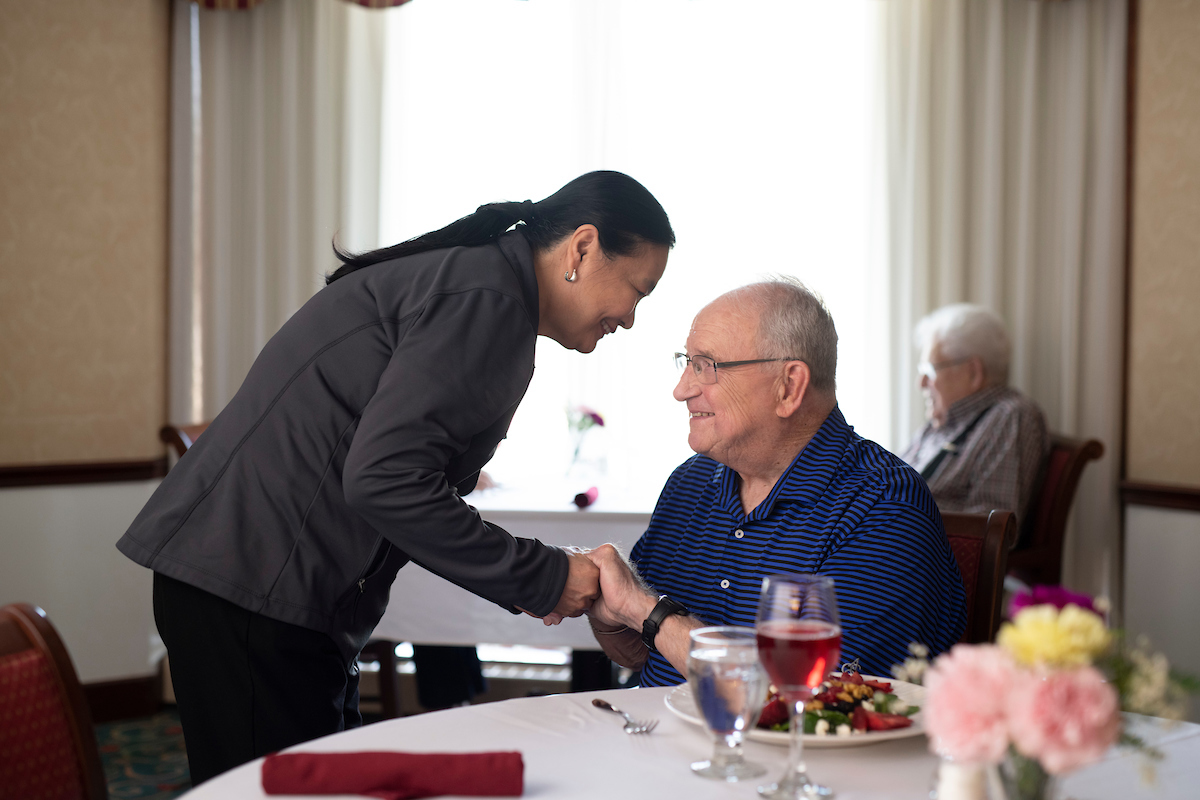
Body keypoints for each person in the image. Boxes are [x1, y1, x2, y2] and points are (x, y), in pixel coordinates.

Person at [117, 170, 673, 783]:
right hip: (255, 587)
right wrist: (545, 576)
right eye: (637, 292)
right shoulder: (489, 300)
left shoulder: (481, 285)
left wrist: (553, 576)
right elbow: (386, 481)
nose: (629, 318)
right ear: (583, 248)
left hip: (258, 585)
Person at [583, 279, 967, 685]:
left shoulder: (883, 505)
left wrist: (646, 609)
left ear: (789, 386)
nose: (682, 390)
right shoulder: (690, 482)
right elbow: (646, 652)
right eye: (686, 362)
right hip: (656, 739)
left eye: (706, 366)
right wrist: (612, 611)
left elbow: (818, 701)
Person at [899, 303, 1050, 526]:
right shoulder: (944, 420)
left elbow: (990, 527)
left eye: (930, 371)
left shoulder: (1009, 417)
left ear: (973, 372)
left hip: (918, 553)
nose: (921, 383)